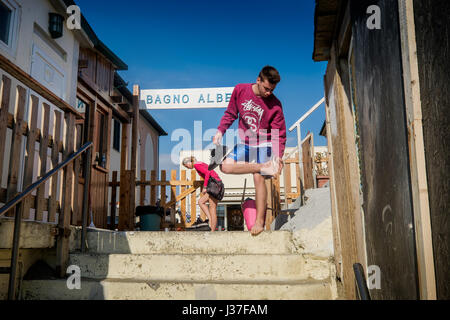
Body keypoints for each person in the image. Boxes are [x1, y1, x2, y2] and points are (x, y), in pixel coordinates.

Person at [212, 66, 287, 236]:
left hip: (265, 143)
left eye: (272, 90)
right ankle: (261, 166)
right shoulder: (240, 90)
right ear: (258, 80)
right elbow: (231, 113)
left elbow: (279, 134)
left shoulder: (275, 105)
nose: (269, 93)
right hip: (246, 143)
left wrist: (277, 157)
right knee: (226, 166)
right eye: (266, 88)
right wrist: (219, 132)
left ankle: (260, 222)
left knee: (258, 177)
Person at [182, 156, 224, 232]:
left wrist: (205, 187)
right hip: (216, 183)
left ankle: (212, 230)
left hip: (214, 184)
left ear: (189, 162)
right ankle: (210, 219)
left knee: (212, 208)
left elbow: (208, 173)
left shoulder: (196, 165)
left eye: (186, 166)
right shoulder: (200, 163)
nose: (187, 168)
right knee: (201, 202)